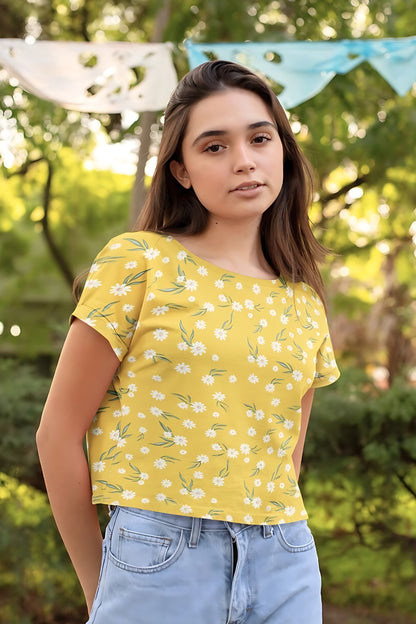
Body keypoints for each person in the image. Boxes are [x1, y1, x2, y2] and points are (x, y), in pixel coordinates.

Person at [36, 60, 340, 624]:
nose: (244, 160)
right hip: (157, 556)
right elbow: (56, 435)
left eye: (259, 138)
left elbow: (285, 456)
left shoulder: (303, 300)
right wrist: (99, 583)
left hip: (286, 558)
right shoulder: (139, 262)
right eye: (214, 147)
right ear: (181, 171)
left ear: (282, 151)